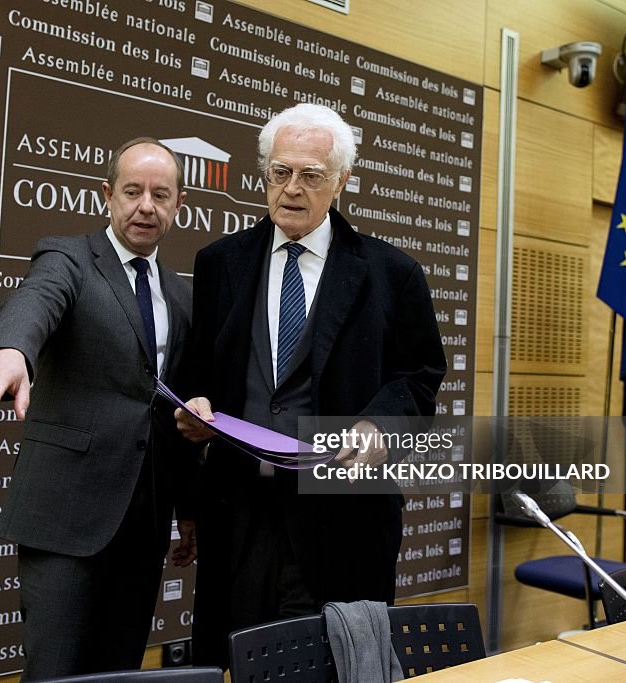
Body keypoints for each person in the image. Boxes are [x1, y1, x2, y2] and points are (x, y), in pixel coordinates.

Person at [175, 103, 447, 668]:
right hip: (241, 512)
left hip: (342, 515)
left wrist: (377, 425)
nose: (291, 189)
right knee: (238, 659)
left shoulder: (391, 273)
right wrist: (195, 406)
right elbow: (201, 370)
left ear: (342, 181)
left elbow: (419, 375)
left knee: (334, 665)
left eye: (310, 175)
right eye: (280, 173)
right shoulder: (219, 263)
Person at [0, 138, 197, 680]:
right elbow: (36, 302)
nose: (146, 206)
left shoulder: (181, 296)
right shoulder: (68, 257)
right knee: (56, 671)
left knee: (117, 669)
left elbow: (175, 412)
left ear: (178, 205)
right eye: (133, 191)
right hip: (65, 515)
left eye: (161, 195)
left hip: (143, 522)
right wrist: (10, 349)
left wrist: (187, 508)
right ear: (107, 195)